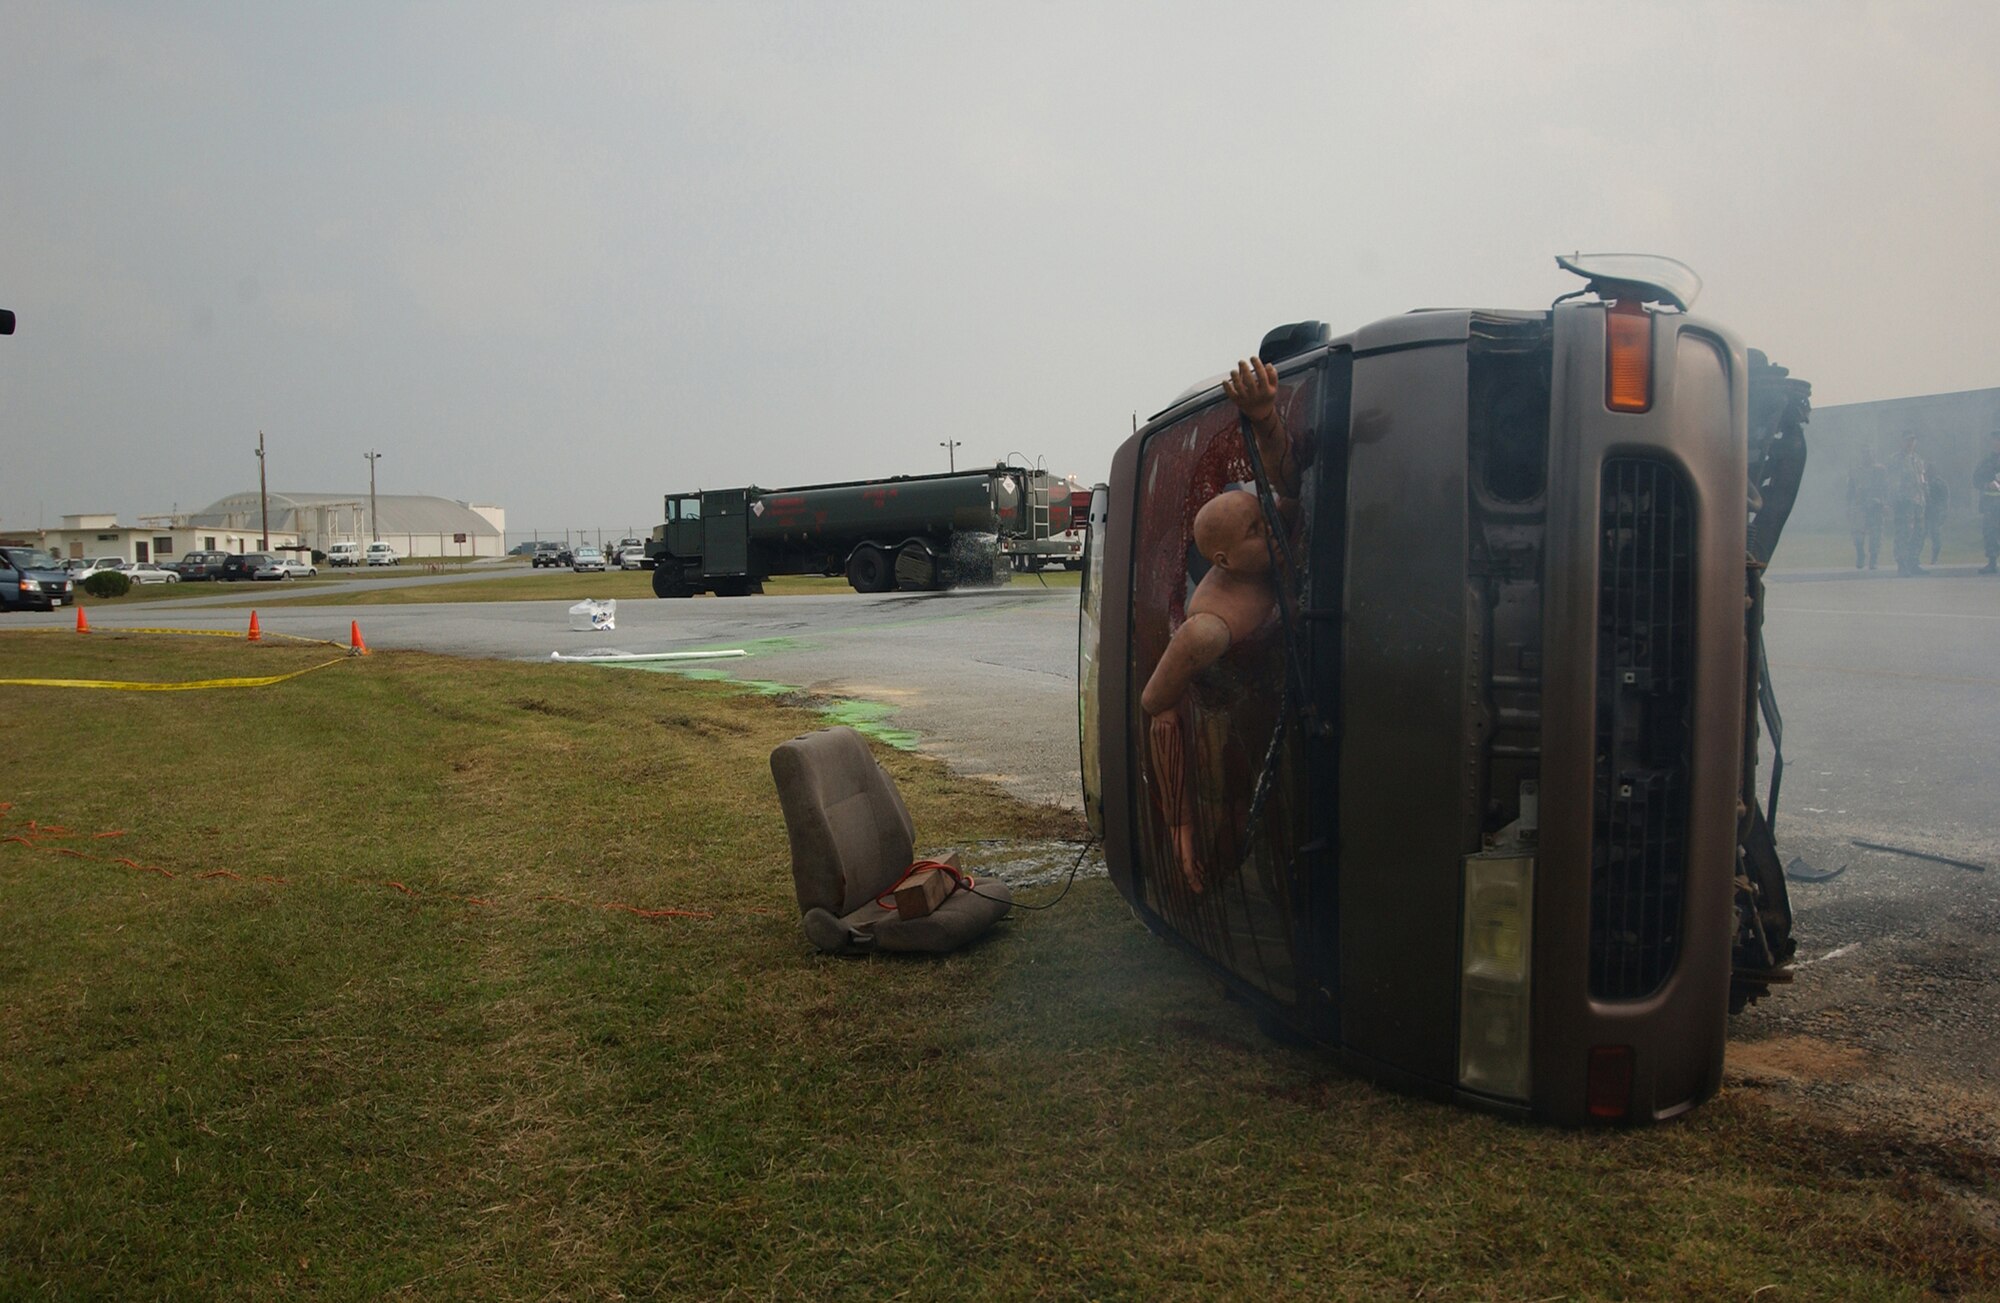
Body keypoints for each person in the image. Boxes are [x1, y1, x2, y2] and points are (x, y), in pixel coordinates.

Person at [1141, 357, 1295, 893]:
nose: (1269, 526)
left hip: (1284, 707)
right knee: (1237, 818)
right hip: (1228, 717)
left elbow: (1289, 481)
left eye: (1263, 513)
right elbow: (1157, 704)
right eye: (1255, 529)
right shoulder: (1208, 626)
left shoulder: (1271, 524)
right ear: (1225, 561)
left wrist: (1265, 420)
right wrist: (1180, 827)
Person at [1889, 435, 1929, 576]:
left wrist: (1925, 496)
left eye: (1913, 440)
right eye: (1907, 440)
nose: (1910, 443)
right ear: (1901, 441)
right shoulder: (1896, 460)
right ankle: (1902, 564)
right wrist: (1896, 501)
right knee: (1904, 533)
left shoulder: (1918, 460)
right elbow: (1893, 482)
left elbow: (1922, 480)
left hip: (1919, 502)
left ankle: (1914, 563)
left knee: (1919, 532)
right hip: (1904, 503)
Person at [1846, 447, 1888, 570]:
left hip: (1876, 505)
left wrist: (1885, 504)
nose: (1867, 456)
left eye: (1869, 454)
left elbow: (1886, 488)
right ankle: (1860, 554)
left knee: (1876, 534)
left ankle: (1873, 559)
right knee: (1858, 534)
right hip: (1859, 506)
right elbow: (1850, 490)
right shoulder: (1855, 471)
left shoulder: (1881, 470)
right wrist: (1848, 507)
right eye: (1864, 454)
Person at [1977, 429, 2000, 575]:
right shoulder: (1985, 462)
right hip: (1991, 505)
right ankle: (1992, 562)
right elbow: (1976, 480)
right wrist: (1987, 484)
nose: (1997, 443)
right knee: (1990, 533)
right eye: (1995, 440)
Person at [1925, 467, 1950, 565]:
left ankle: (1934, 558)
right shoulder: (1923, 482)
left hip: (1935, 512)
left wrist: (1944, 511)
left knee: (1935, 534)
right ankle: (1916, 558)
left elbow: (1946, 498)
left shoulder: (1939, 483)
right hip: (1925, 511)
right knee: (1922, 534)